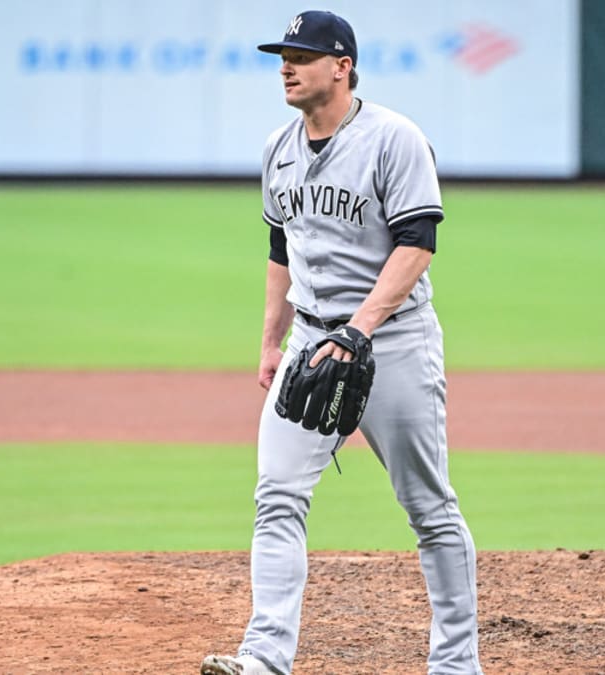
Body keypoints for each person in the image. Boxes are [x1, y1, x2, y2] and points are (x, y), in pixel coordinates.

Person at [202, 10, 482, 675]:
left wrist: (360, 330)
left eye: (300, 55)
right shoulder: (278, 148)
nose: (287, 67)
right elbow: (280, 246)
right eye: (282, 56)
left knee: (429, 507)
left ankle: (456, 663)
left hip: (395, 340)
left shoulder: (394, 139)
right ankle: (264, 657)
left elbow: (418, 245)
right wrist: (272, 342)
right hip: (310, 337)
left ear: (342, 66)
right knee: (276, 494)